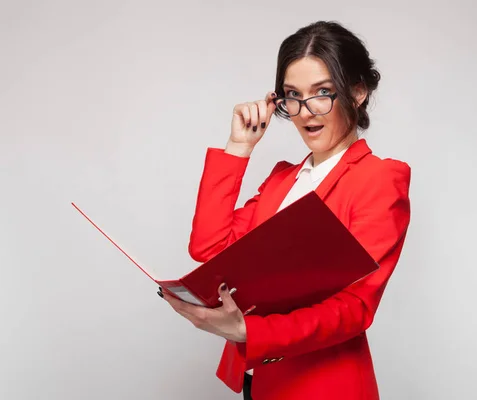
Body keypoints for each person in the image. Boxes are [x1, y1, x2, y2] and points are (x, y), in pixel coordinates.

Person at [158, 20, 411, 400]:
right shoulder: (282, 181)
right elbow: (209, 250)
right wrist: (238, 148)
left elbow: (356, 307)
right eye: (292, 95)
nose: (306, 112)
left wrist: (249, 332)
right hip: (261, 385)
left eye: (323, 92)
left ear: (357, 92)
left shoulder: (379, 179)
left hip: (326, 387)